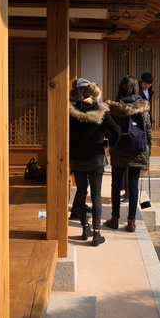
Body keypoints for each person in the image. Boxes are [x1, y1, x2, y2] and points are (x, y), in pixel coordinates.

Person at [69, 82, 121, 246]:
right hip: (96, 159)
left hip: (77, 158)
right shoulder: (101, 111)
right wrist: (108, 143)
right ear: (97, 96)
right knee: (96, 195)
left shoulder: (71, 110)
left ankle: (85, 228)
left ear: (83, 94)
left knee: (81, 193)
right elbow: (117, 131)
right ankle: (96, 234)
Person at [105, 75, 152, 232]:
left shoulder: (115, 109)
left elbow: (110, 131)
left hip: (119, 150)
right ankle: (131, 222)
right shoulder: (143, 108)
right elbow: (148, 130)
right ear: (136, 89)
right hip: (137, 150)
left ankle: (115, 219)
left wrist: (111, 144)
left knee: (116, 184)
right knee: (133, 184)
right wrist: (148, 147)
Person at [69, 78, 92, 221]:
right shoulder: (73, 106)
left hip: (82, 148)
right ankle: (77, 210)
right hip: (76, 148)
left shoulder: (80, 105)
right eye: (85, 90)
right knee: (83, 181)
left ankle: (80, 204)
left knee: (85, 180)